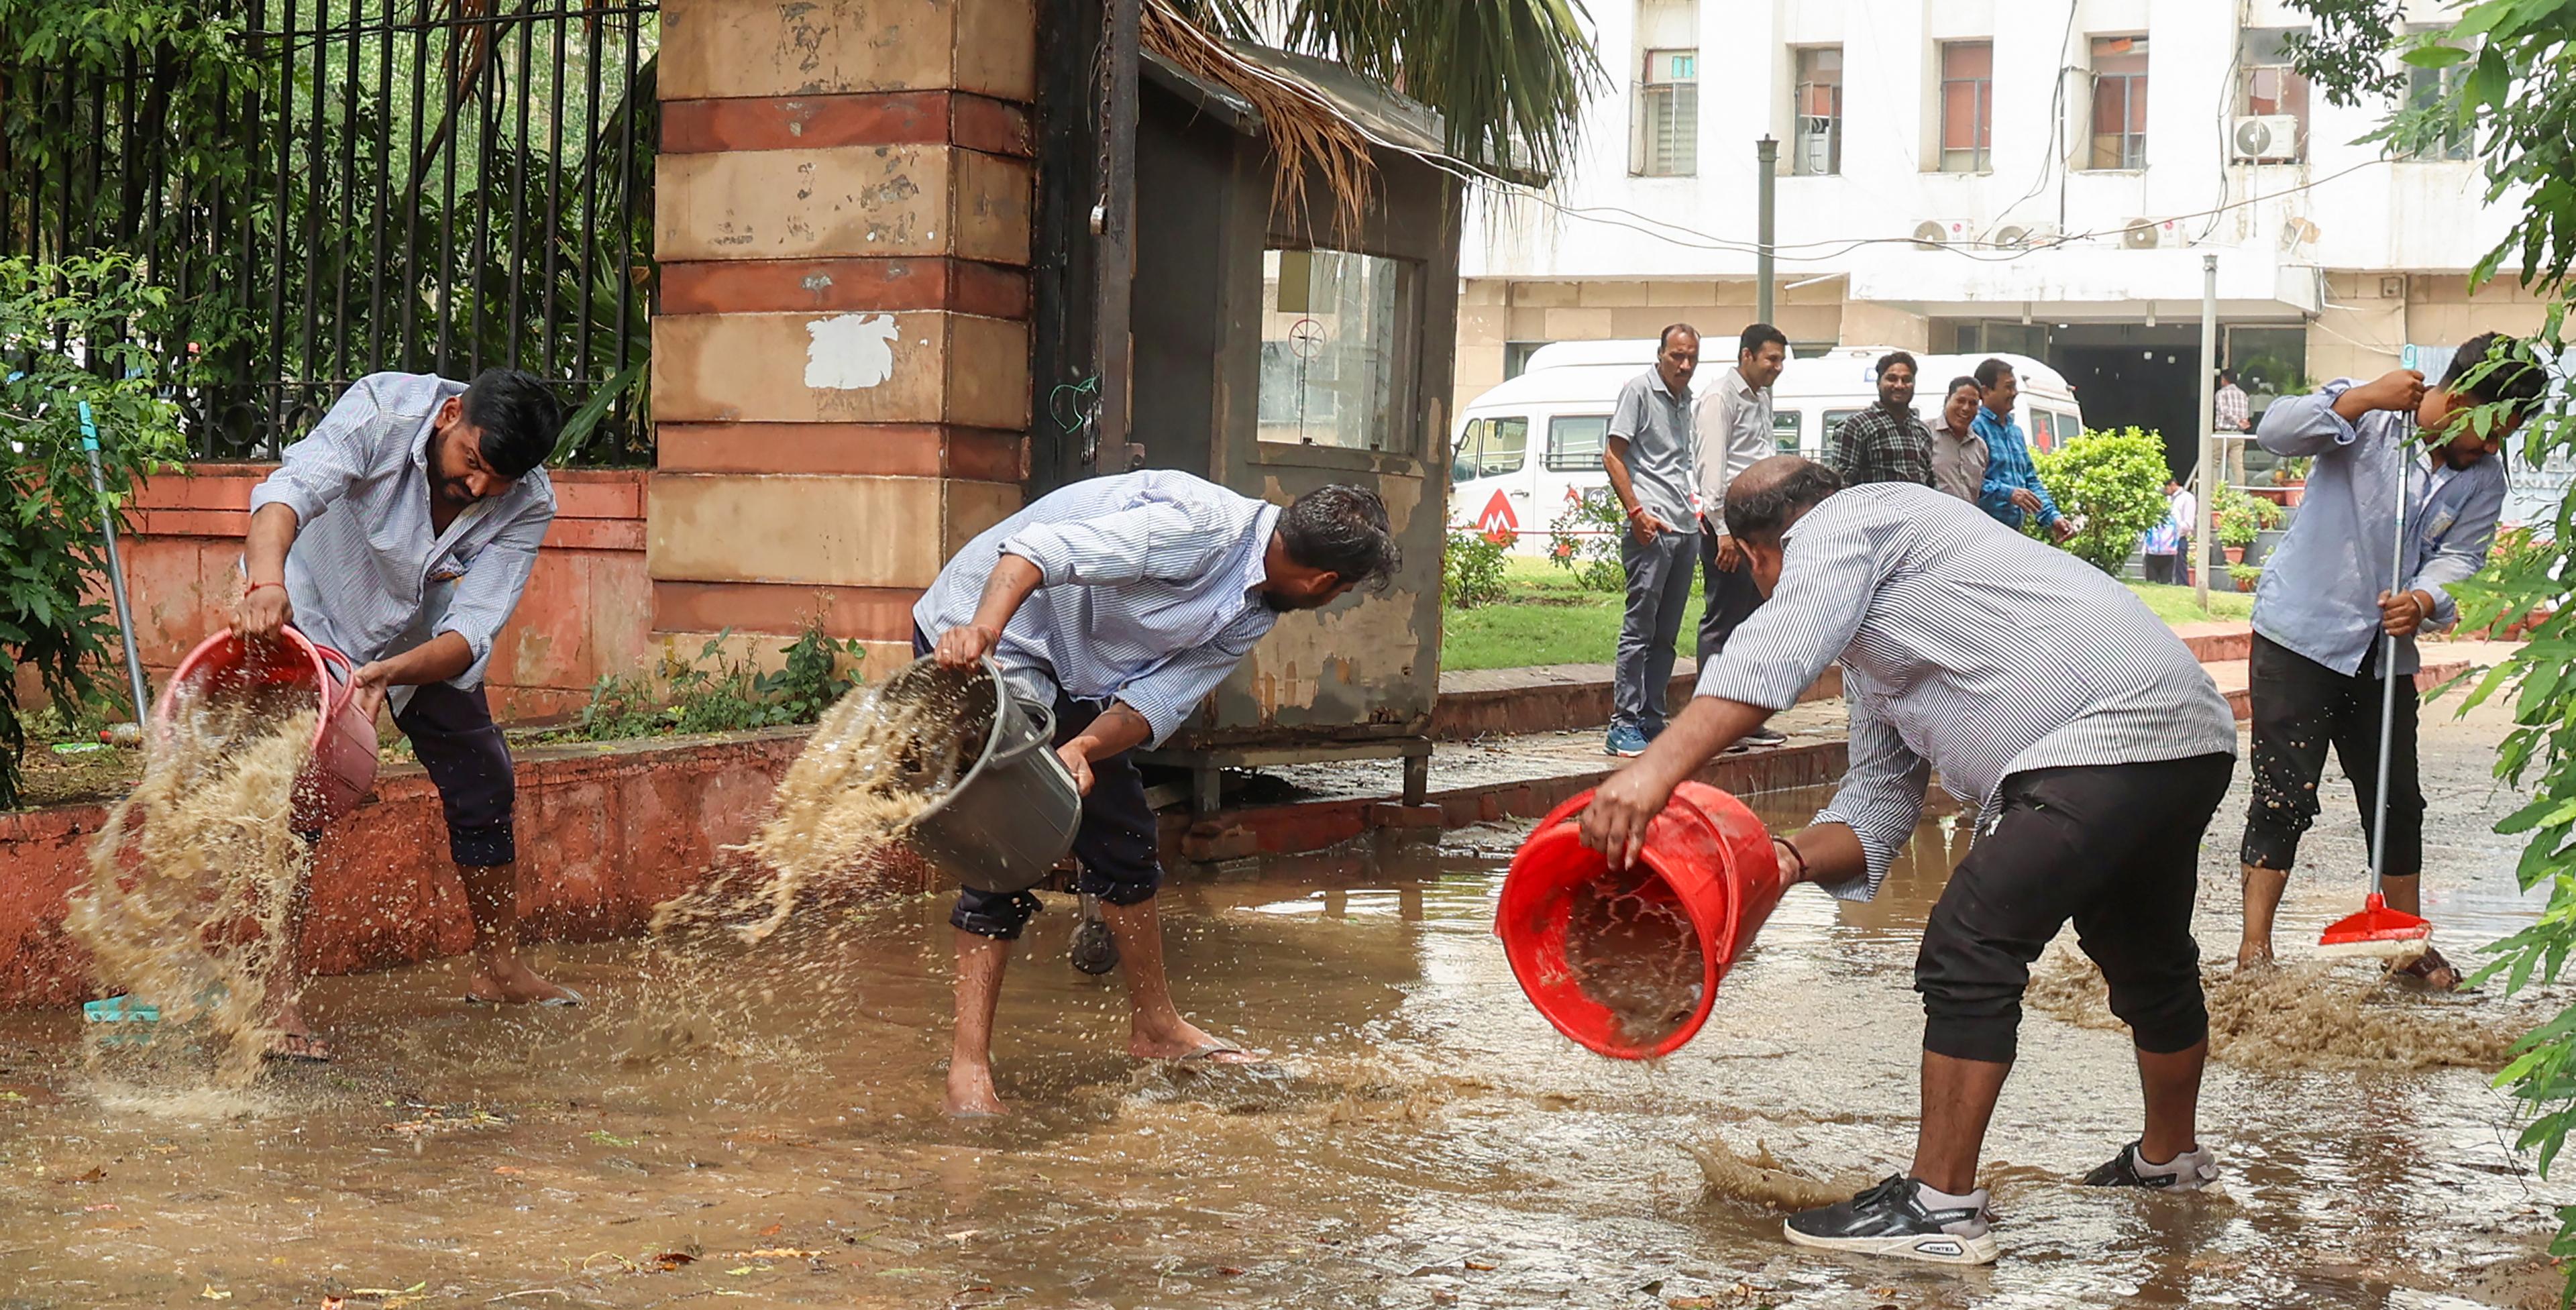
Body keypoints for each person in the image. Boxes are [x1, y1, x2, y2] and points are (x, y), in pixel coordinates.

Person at [1579, 457, 2238, 1265]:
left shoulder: (1849, 519)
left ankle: (1939, 1207)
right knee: (2143, 950)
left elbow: (1773, 654)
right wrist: (1781, 863)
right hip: (2185, 738)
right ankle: (2170, 1163)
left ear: (1757, 555)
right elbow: (1877, 805)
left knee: (1970, 944)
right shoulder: (1888, 625)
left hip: (2101, 737)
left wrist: (1651, 772)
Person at [916, 472, 1399, 1115]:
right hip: (984, 632)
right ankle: (968, 1071)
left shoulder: (1254, 609)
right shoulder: (1199, 529)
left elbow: (1154, 701)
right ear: (1324, 583)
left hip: (1072, 667)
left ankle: (1156, 1026)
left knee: (1124, 834)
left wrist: (1082, 748)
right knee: (1007, 843)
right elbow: (1036, 551)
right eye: (1344, 591)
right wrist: (982, 629)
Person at [234, 369, 572, 1062]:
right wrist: (266, 584)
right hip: (308, 610)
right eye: (472, 461)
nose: (478, 486)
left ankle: (498, 968)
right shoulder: (383, 410)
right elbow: (287, 494)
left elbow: (471, 632)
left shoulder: (529, 501)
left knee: (485, 779)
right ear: (451, 414)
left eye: (498, 480)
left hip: (419, 642)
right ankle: (275, 1000)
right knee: (298, 794)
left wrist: (389, 673)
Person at [2235, 334, 2544, 991]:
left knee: (2396, 799)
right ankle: (2254, 949)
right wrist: (2363, 398)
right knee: (2284, 793)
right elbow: (2276, 431)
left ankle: (2404, 942)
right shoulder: (2372, 419)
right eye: (2492, 429)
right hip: (2302, 635)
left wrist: (2424, 599)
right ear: (2458, 400)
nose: (2494, 447)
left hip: (2383, 654)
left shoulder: (2482, 478)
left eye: (2507, 436)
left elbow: (2462, 557)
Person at [1601, 325, 1704, 758]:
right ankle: (1622, 724)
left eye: (1691, 357)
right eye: (1677, 355)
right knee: (1640, 629)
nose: (1684, 364)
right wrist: (1636, 513)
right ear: (1660, 353)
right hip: (1652, 526)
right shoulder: (1640, 392)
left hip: (1684, 526)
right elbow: (1613, 455)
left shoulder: (1686, 400)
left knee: (1666, 634)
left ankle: (1651, 718)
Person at [1692, 323, 1791, 749]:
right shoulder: (1720, 398)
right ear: (1746, 355)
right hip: (1729, 526)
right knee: (1723, 621)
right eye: (1771, 359)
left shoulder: (1761, 397)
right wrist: (1723, 532)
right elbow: (1711, 469)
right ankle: (1711, 726)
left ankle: (1744, 719)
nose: (1777, 367)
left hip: (1760, 526)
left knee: (1755, 624)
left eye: (1781, 360)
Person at [1971, 358, 2076, 543]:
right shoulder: (1974, 428)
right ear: (1986, 392)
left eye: (2015, 386)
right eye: (2009, 387)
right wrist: (2008, 493)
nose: (2015, 393)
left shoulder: (2015, 432)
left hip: (2013, 536)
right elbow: (1969, 482)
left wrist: (2053, 517)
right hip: (1982, 535)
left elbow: (2030, 480)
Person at [1829, 351, 1937, 487]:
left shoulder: (1922, 430)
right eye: (1892, 379)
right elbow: (1841, 484)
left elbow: (1930, 482)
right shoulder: (1856, 426)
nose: (1899, 385)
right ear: (1878, 383)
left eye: (1906, 380)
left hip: (1919, 501)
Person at [1929, 376, 1988, 504]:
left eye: (1973, 403)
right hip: (1932, 515)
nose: (1966, 408)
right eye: (1960, 401)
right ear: (1947, 400)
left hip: (1967, 516)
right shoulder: (1925, 433)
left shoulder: (1980, 447)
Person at [2141, 477, 2192, 585]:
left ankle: (2182, 586)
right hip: (2164, 543)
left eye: (2167, 488)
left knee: (2180, 569)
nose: (2165, 491)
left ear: (2173, 484)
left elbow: (2188, 523)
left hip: (2178, 539)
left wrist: (2173, 529)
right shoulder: (2168, 499)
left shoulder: (2187, 498)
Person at [2214, 369, 2251, 435]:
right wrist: (2243, 422)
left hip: (2223, 433)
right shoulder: (2243, 394)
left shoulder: (2221, 393)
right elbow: (2246, 414)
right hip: (2239, 433)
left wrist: (2238, 421)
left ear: (2224, 379)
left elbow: (2224, 411)